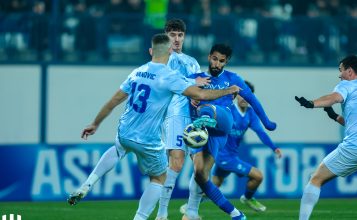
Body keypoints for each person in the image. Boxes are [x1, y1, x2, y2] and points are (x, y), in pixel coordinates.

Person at [66, 33, 240, 220]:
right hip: (148, 139)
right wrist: (229, 90)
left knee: (117, 149)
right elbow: (202, 96)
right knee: (159, 178)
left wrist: (95, 123)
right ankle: (143, 217)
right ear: (169, 53)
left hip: (125, 130)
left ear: (151, 51)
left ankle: (88, 183)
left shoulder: (137, 72)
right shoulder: (169, 76)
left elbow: (113, 101)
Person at [182, 43, 277, 220]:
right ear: (209, 57)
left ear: (227, 62)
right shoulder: (194, 79)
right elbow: (174, 93)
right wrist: (189, 97)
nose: (217, 64)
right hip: (201, 135)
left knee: (207, 107)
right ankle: (232, 214)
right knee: (200, 175)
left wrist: (267, 122)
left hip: (221, 128)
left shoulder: (233, 79)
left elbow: (253, 100)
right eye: (215, 59)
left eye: (222, 61)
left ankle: (206, 115)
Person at [295, 55, 357, 220]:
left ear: (350, 71)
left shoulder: (347, 85)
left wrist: (312, 103)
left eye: (341, 70)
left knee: (315, 179)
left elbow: (333, 98)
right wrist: (335, 117)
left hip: (356, 147)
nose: (339, 75)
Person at [156, 18, 206, 220]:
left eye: (180, 35)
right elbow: (167, 83)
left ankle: (192, 212)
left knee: (201, 168)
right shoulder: (163, 58)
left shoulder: (192, 61)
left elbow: (199, 87)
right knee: (176, 164)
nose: (176, 39)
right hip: (175, 114)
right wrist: (194, 82)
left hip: (194, 117)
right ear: (166, 36)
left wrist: (198, 95)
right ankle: (161, 214)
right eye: (172, 35)